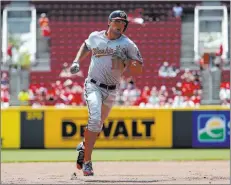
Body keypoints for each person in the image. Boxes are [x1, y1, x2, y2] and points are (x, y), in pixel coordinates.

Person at [70, 10, 143, 176]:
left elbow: (139, 68)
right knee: (94, 119)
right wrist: (76, 61)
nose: (121, 25)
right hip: (93, 85)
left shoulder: (127, 44)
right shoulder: (96, 36)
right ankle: (87, 163)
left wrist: (129, 62)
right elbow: (86, 45)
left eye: (124, 23)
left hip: (112, 90)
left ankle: (84, 147)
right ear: (109, 22)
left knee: (98, 125)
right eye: (117, 21)